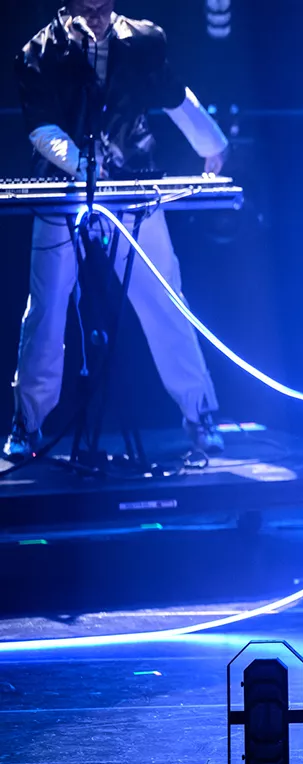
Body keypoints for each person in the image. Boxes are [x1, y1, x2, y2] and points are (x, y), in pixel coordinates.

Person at [4, 0, 229, 459]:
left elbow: (172, 94)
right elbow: (42, 127)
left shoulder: (142, 40)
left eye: (103, 7)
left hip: (133, 186)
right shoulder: (38, 52)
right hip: (64, 190)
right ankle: (28, 420)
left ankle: (199, 411)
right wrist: (86, 167)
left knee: (165, 299)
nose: (97, 16)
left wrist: (212, 142)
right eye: (87, 8)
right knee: (47, 308)